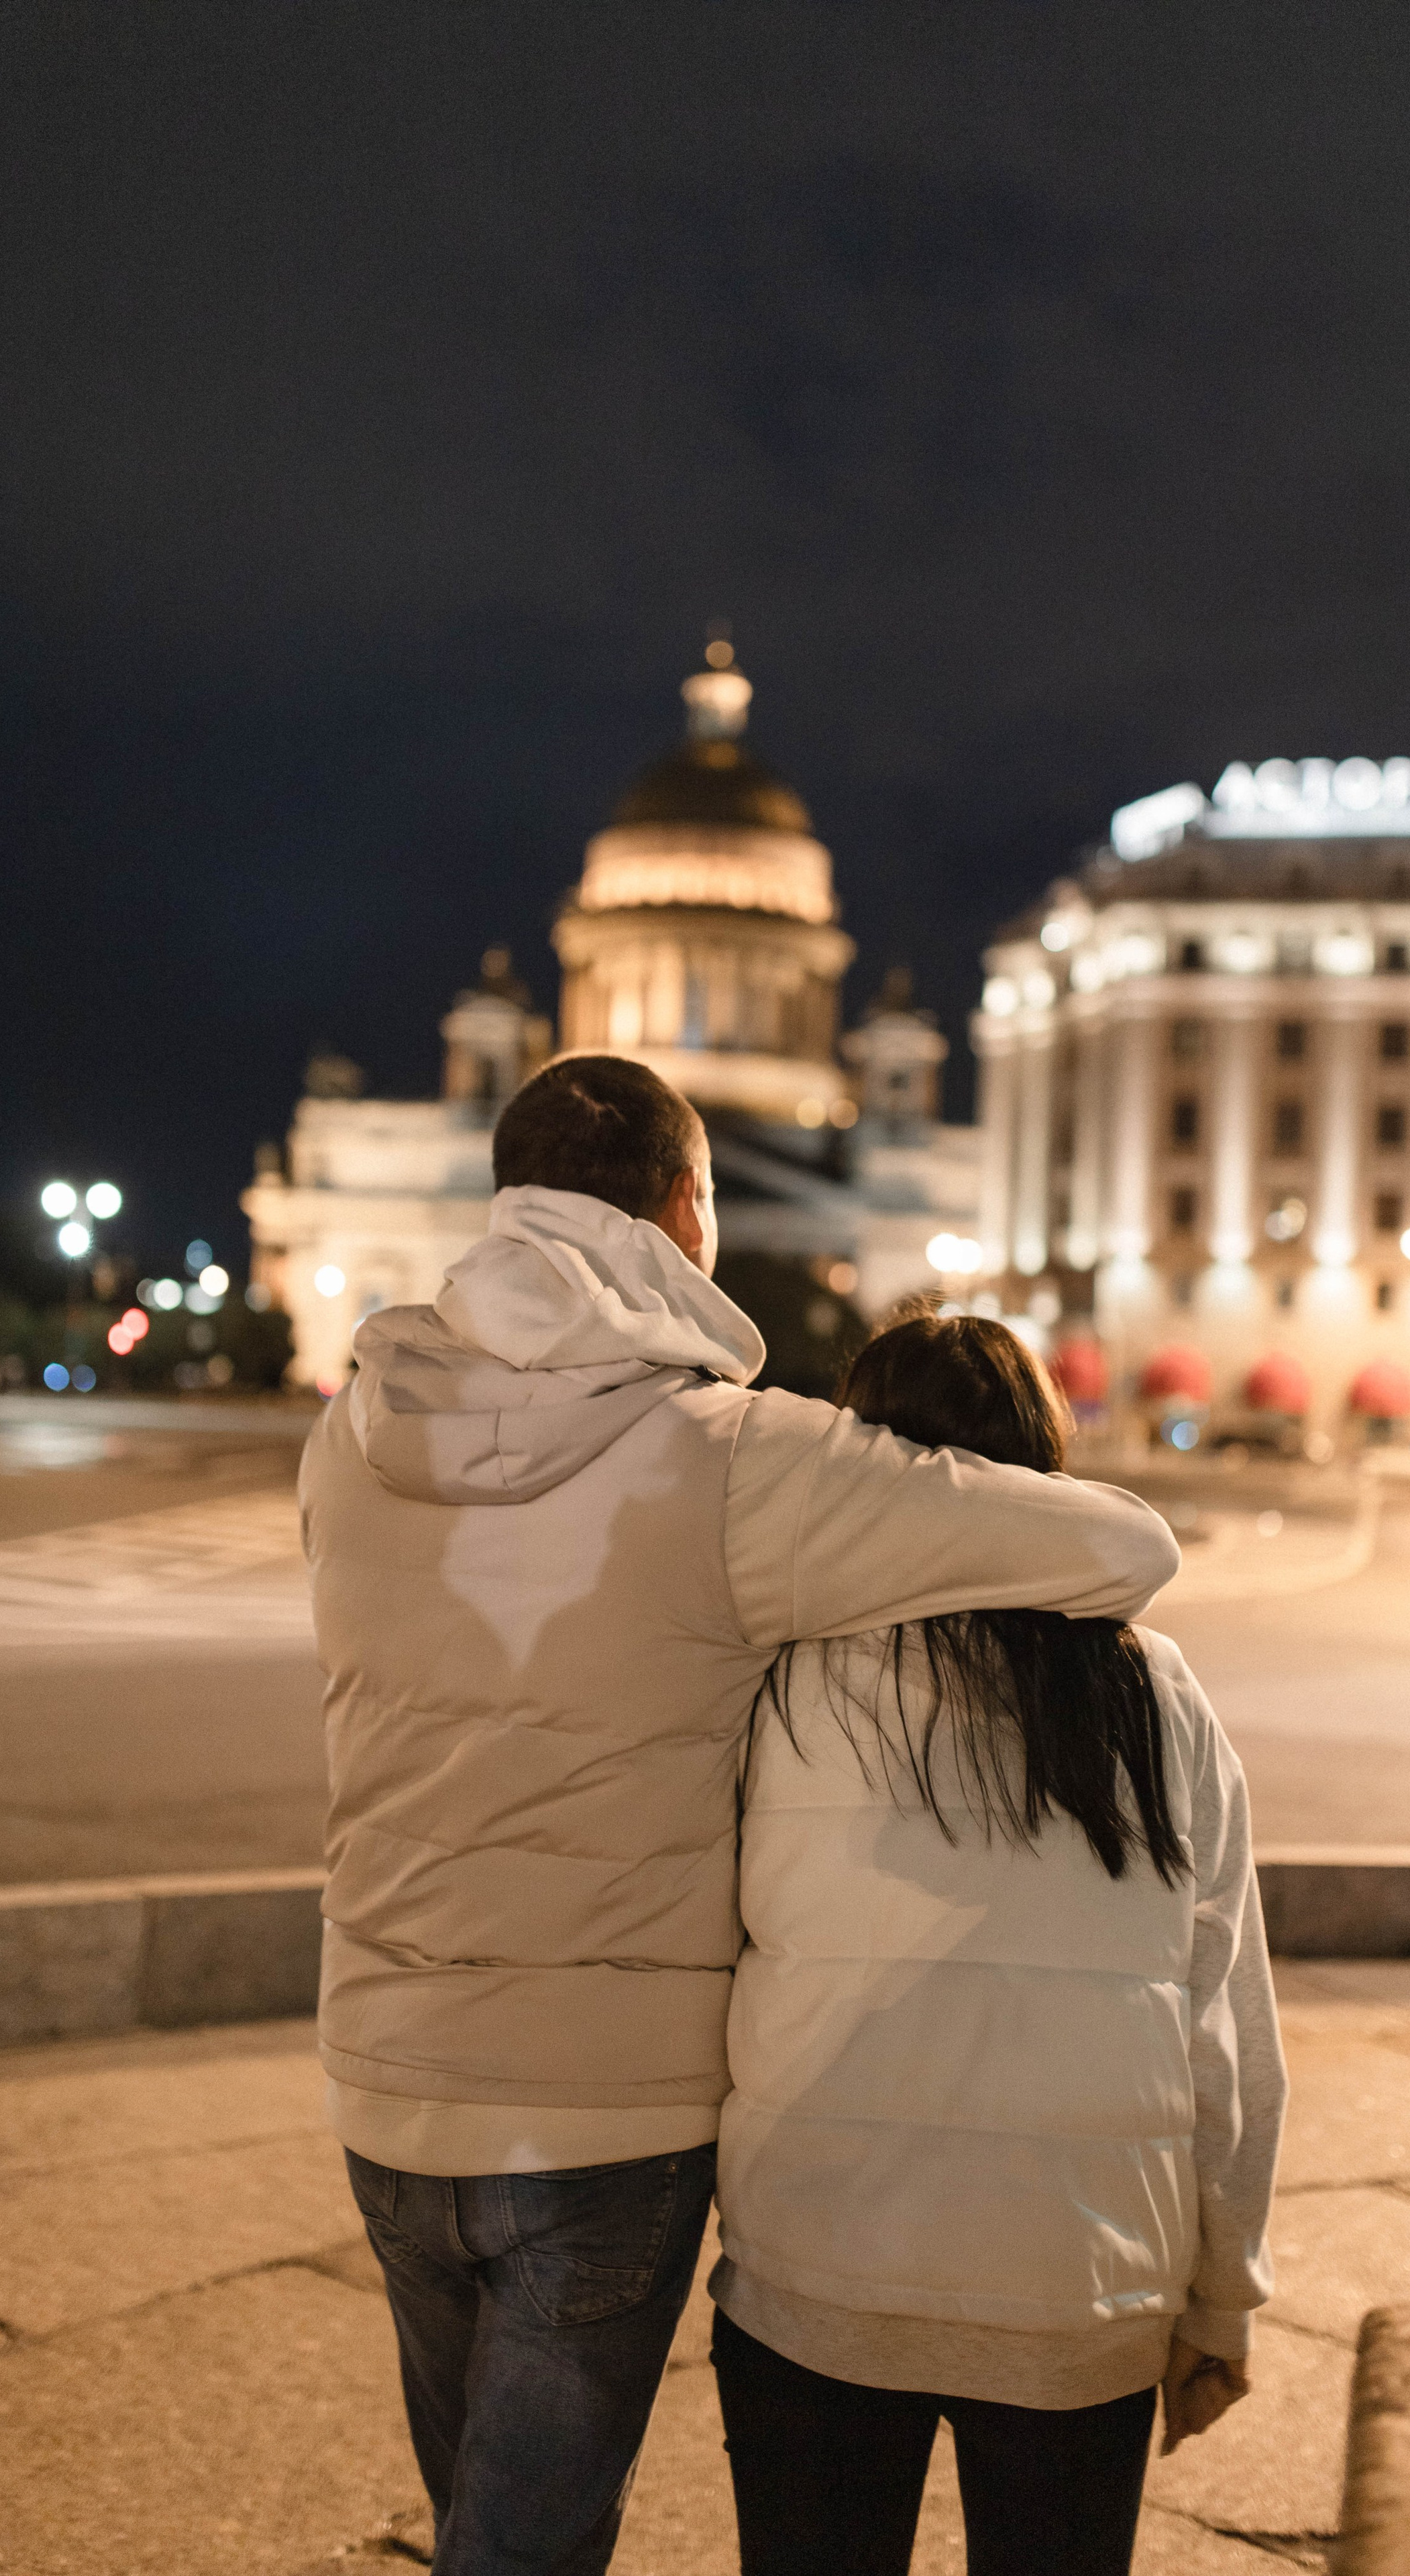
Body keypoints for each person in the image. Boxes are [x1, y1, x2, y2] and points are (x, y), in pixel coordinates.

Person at [299, 1054, 1180, 2576]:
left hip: (378, 2070)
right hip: (600, 2115)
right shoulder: (733, 1460)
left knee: (482, 2526)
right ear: (686, 1211)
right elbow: (1120, 1551)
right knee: (523, 2547)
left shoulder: (352, 1431)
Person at [710, 1309, 1287, 2576]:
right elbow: (1223, 2020)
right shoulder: (1155, 1692)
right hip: (1078, 2283)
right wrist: (1222, 2298)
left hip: (820, 2264)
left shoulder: (785, 1681)